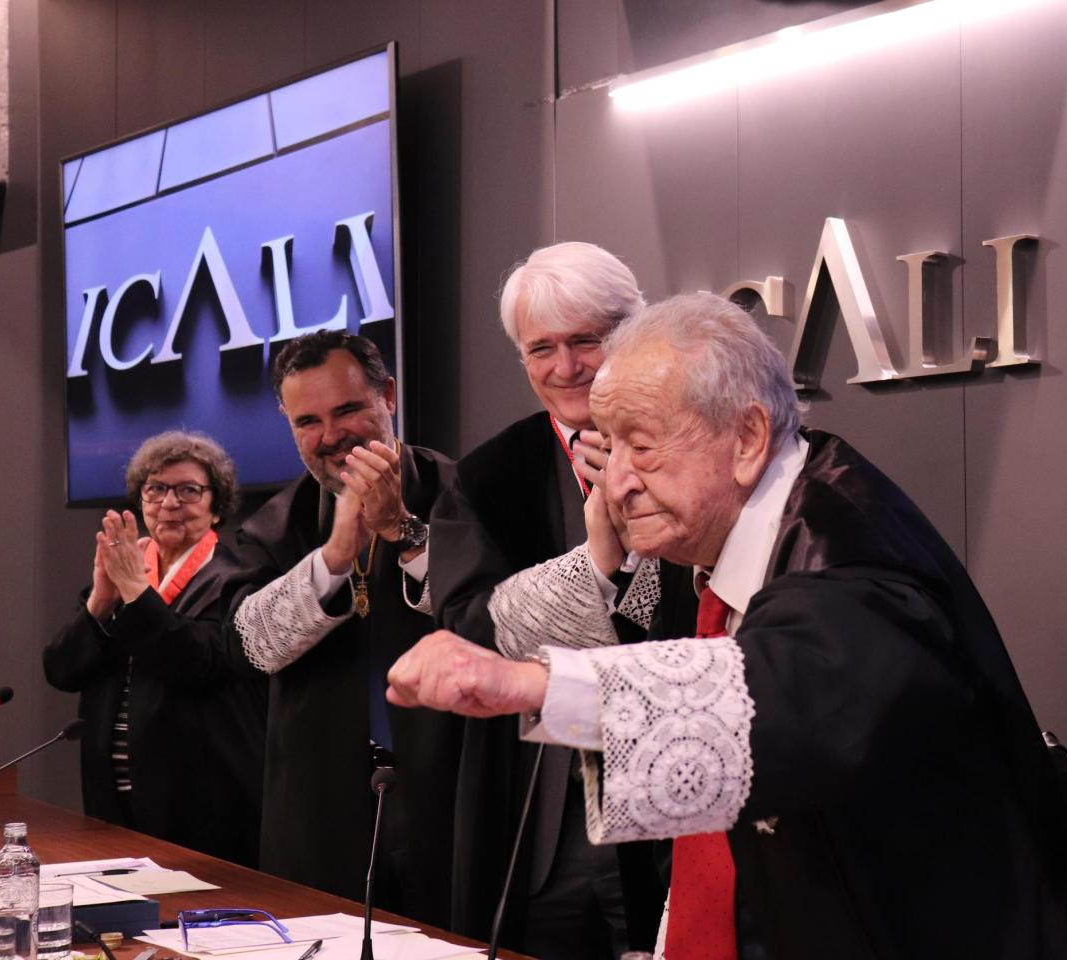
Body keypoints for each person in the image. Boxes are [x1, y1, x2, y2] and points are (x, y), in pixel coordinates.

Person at [388, 292, 1067, 958]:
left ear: (748, 438)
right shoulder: (721, 534)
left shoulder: (852, 558)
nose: (617, 482)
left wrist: (531, 683)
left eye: (643, 445)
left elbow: (775, 695)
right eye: (608, 448)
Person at [428, 242, 651, 956]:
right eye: (541, 349)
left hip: (673, 777)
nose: (565, 369)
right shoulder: (488, 474)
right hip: (539, 804)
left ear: (635, 329)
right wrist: (597, 559)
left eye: (587, 340)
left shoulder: (697, 442)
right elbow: (468, 624)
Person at [225, 330, 462, 924]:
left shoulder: (462, 491)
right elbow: (254, 646)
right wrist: (335, 555)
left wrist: (402, 530)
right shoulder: (273, 525)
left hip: (448, 798)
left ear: (388, 394)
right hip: (318, 812)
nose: (331, 437)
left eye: (348, 409)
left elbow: (490, 619)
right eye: (308, 421)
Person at [44, 431, 266, 866]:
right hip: (113, 802)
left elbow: (199, 662)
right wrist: (101, 602)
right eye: (156, 489)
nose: (169, 503)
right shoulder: (128, 573)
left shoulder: (238, 575)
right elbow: (61, 670)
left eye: (188, 490)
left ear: (216, 505)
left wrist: (133, 589)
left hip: (199, 807)